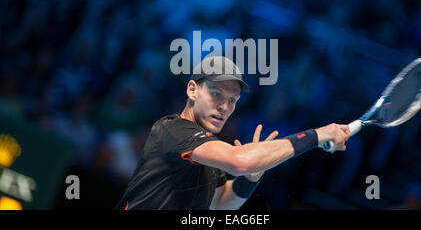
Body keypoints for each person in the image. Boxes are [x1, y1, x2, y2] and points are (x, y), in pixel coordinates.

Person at [115, 56, 350, 210]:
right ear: (192, 90)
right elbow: (240, 161)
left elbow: (220, 205)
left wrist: (251, 177)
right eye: (216, 94)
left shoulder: (207, 151)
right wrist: (316, 136)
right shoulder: (173, 129)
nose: (225, 107)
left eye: (232, 100)